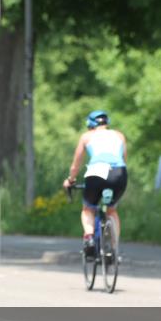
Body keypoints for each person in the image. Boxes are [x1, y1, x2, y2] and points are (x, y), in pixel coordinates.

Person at [63, 110, 129, 257]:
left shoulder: (87, 136)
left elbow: (76, 165)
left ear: (90, 124)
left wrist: (70, 180)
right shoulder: (119, 135)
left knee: (88, 208)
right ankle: (114, 249)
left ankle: (89, 237)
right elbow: (124, 159)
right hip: (119, 172)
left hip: (97, 170)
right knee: (112, 210)